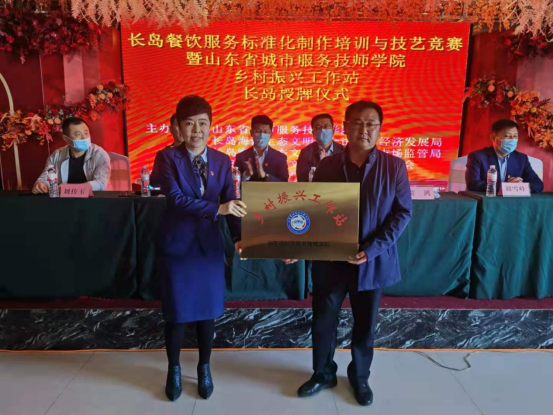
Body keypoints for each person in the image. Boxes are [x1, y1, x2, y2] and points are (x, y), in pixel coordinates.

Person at [296, 101, 412, 406]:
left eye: (371, 124)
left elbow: (402, 213)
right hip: (330, 260)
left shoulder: (394, 166)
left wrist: (372, 249)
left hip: (371, 260)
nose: (364, 129)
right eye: (357, 123)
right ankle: (323, 373)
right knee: (323, 319)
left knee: (365, 322)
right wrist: (296, 244)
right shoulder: (328, 165)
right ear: (345, 127)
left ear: (380, 129)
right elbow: (314, 209)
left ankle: (360, 377)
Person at [154, 95, 247, 402]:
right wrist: (218, 209)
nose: (197, 130)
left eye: (203, 123)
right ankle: (174, 370)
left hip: (208, 249)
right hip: (178, 247)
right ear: (179, 127)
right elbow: (177, 199)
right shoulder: (167, 158)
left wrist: (238, 238)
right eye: (190, 124)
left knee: (208, 313)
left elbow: (231, 202)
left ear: (211, 126)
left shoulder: (222, 160)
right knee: (176, 313)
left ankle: (204, 368)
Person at [32, 117, 111, 193]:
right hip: (64, 200)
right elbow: (45, 178)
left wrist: (71, 188)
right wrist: (41, 184)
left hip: (94, 199)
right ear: (66, 138)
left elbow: (101, 183)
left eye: (86, 133)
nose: (84, 137)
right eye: (78, 134)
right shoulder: (56, 156)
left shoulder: (100, 155)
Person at [465, 119, 543, 194]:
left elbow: (538, 185)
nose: (512, 140)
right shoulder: (478, 157)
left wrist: (519, 187)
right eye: (507, 136)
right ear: (493, 138)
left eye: (515, 136)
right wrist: (506, 187)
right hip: (487, 200)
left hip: (512, 201)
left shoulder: (521, 159)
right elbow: (473, 184)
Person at [235, 115, 289, 182]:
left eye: (265, 132)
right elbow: (234, 184)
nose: (262, 135)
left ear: (271, 134)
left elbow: (284, 183)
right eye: (258, 131)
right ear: (251, 133)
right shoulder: (241, 157)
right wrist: (246, 175)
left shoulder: (280, 158)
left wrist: (265, 176)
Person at [297, 113, 345, 182]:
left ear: (333, 130)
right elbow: (302, 181)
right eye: (318, 127)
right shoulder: (306, 153)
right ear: (313, 132)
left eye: (326, 126)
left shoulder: (343, 151)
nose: (322, 130)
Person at [151, 114, 183, 188]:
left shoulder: (198, 153)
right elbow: (153, 182)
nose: (182, 129)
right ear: (171, 130)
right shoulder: (163, 155)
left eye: (185, 125)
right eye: (178, 125)